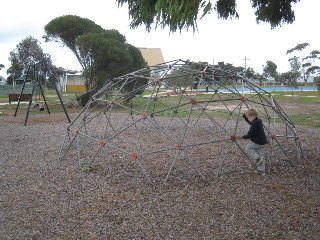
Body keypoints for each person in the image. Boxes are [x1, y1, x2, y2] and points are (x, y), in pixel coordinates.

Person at [242, 108, 268, 176]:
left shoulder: (255, 124)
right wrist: (245, 116)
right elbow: (250, 122)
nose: (248, 119)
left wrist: (244, 137)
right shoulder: (257, 121)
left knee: (248, 147)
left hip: (259, 142)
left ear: (253, 116)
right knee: (261, 155)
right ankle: (262, 171)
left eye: (249, 118)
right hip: (262, 142)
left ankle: (257, 158)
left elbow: (251, 133)